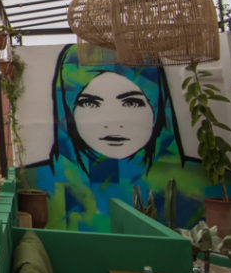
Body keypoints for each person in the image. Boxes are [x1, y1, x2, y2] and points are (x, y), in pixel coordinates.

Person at [26, 44, 202, 231]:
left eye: (132, 102)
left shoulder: (190, 180)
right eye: (90, 103)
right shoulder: (42, 179)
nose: (111, 123)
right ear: (67, 109)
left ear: (157, 107)